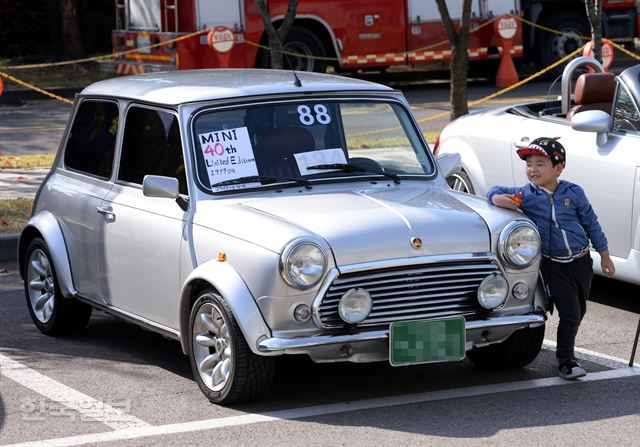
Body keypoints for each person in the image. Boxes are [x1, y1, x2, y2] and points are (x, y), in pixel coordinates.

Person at [486, 137, 615, 380]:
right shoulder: (526, 195)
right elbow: (494, 191)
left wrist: (605, 256)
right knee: (570, 313)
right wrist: (496, 199)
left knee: (579, 310)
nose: (532, 169)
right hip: (553, 265)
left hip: (581, 261)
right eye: (528, 164)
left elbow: (591, 224)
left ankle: (567, 348)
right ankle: (566, 360)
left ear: (558, 168)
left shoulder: (574, 193)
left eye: (539, 164)